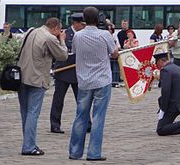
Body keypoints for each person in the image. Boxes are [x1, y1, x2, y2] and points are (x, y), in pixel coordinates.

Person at [68, 6, 118, 161]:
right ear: (98, 19)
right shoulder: (104, 35)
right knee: (98, 117)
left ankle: (75, 152)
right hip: (102, 80)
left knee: (80, 116)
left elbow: (75, 51)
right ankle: (94, 153)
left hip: (83, 80)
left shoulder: (78, 35)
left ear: (84, 19)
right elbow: (115, 53)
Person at [17, 17, 68, 155]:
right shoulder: (50, 38)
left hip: (22, 77)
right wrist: (62, 39)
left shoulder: (31, 31)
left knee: (25, 113)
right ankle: (29, 146)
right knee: (33, 113)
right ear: (56, 28)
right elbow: (63, 55)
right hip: (37, 79)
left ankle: (28, 143)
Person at [50, 13, 92, 134]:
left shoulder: (84, 35)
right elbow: (60, 52)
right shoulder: (64, 34)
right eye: (82, 24)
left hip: (78, 72)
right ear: (76, 23)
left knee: (82, 100)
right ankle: (55, 124)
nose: (84, 27)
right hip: (63, 71)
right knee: (58, 100)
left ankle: (87, 123)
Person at [154, 52, 180, 137]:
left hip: (174, 104)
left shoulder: (165, 70)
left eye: (157, 63)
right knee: (166, 123)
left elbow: (166, 90)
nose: (157, 65)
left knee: (161, 129)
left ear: (161, 61)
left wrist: (163, 108)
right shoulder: (176, 67)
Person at [107, 22, 121, 88]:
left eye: (111, 29)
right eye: (108, 29)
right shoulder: (104, 36)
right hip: (107, 57)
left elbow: (118, 45)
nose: (110, 30)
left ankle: (115, 82)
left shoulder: (114, 36)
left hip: (114, 55)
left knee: (115, 69)